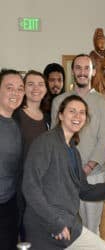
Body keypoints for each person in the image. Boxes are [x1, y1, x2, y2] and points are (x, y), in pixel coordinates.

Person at [22, 95, 105, 250]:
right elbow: (30, 187)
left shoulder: (73, 151)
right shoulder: (45, 142)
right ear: (61, 115)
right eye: (72, 111)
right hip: (45, 225)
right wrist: (55, 223)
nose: (77, 116)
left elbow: (85, 191)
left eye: (82, 112)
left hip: (67, 222)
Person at [51, 54, 105, 235]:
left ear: (93, 72)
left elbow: (104, 140)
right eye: (78, 68)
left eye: (87, 68)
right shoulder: (59, 101)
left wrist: (86, 168)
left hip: (92, 175)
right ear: (73, 71)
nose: (82, 72)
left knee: (91, 229)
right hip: (64, 175)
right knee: (64, 227)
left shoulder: (103, 103)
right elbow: (55, 138)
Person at [13, 70, 49, 241]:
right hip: (20, 185)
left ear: (46, 89)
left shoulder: (48, 118)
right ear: (24, 88)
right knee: (22, 232)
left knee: (39, 233)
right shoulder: (15, 115)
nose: (36, 88)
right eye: (31, 84)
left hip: (43, 186)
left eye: (41, 84)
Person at [0, 69, 24, 250]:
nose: (15, 93)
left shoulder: (15, 124)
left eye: (20, 88)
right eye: (9, 87)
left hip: (8, 206)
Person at [89, 28, 105, 99]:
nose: (102, 44)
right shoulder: (92, 54)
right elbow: (90, 68)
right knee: (96, 96)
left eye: (103, 42)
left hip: (104, 78)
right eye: (100, 42)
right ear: (95, 43)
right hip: (96, 79)